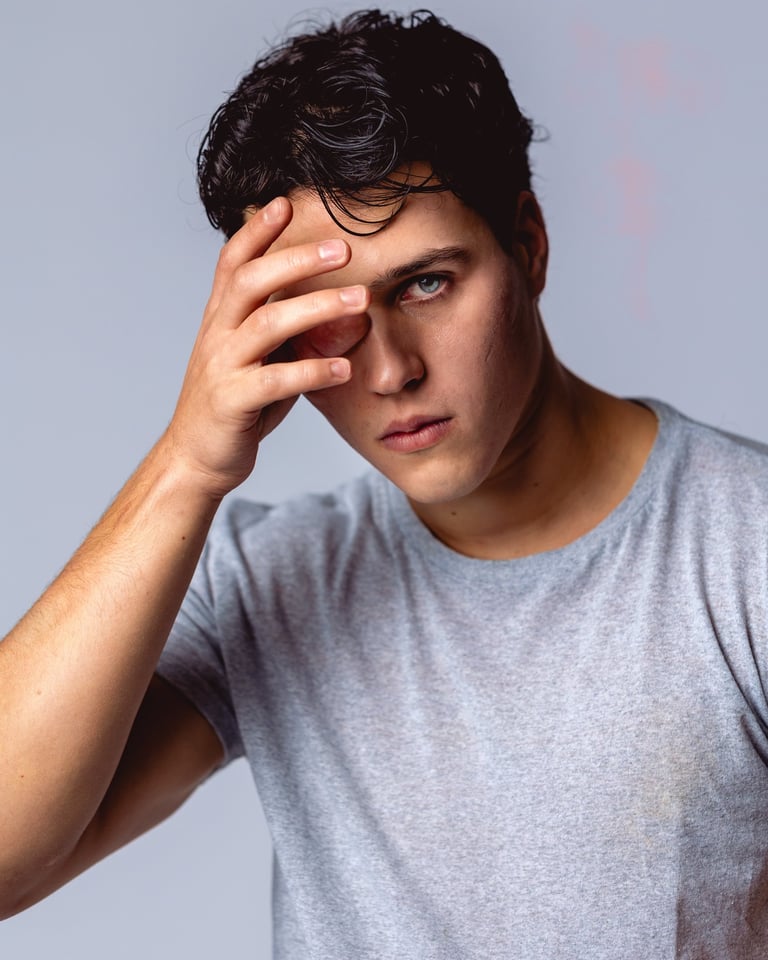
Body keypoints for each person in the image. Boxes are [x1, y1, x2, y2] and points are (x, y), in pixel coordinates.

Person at [2, 8, 768, 958]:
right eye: (326, 317)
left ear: (527, 245)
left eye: (426, 284)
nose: (391, 370)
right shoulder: (273, 580)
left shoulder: (745, 554)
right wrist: (187, 465)